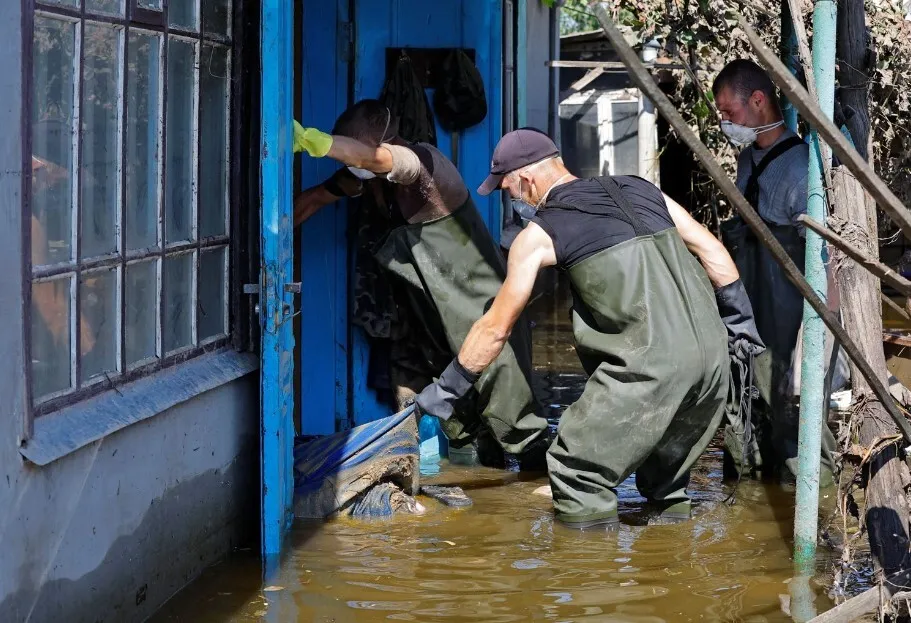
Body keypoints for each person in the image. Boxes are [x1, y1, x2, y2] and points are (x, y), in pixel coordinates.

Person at [414, 128, 764, 528]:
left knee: (576, 471)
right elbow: (712, 251)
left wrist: (447, 390)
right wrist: (740, 325)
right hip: (714, 361)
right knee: (665, 486)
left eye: (507, 188)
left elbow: (496, 327)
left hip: (650, 367)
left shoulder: (540, 233)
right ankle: (668, 559)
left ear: (526, 179)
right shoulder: (642, 188)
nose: (510, 198)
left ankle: (589, 566)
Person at [293, 100, 550, 467]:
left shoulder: (423, 164)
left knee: (514, 416)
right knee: (461, 428)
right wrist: (269, 234)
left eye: (354, 151)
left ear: (381, 143)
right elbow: (313, 200)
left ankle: (538, 492)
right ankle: (478, 489)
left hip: (481, 308)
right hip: (433, 317)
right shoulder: (364, 181)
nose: (351, 165)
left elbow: (376, 160)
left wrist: (316, 142)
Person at [713, 59, 846, 483]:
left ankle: (820, 501)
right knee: (747, 417)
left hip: (788, 327)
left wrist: (815, 342)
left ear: (758, 101)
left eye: (729, 112)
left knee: (794, 426)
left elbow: (826, 262)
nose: (725, 122)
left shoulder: (802, 169)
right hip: (751, 318)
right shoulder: (747, 160)